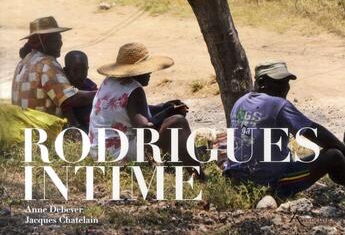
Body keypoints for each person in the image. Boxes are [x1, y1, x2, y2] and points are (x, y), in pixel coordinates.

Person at [224, 61, 345, 197]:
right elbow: (315, 132)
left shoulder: (240, 102)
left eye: (287, 82)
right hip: (269, 183)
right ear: (261, 82)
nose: (286, 88)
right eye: (280, 82)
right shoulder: (277, 104)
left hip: (236, 181)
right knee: (334, 155)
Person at [89, 42, 205, 179]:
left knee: (172, 124)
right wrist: (169, 113)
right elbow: (145, 128)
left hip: (99, 152)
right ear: (136, 72)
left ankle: (181, 163)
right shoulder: (134, 89)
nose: (150, 72)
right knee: (177, 123)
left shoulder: (110, 81)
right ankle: (200, 177)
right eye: (146, 69)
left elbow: (129, 111)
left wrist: (164, 107)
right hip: (116, 156)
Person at [12, 16, 96, 126]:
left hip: (24, 129)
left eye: (60, 39)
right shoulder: (46, 64)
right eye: (56, 40)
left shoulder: (24, 61)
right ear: (43, 41)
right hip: (42, 132)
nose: (60, 43)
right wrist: (103, 94)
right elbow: (70, 99)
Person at [63, 51, 97, 132]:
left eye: (84, 70)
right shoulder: (63, 88)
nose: (80, 75)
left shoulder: (90, 85)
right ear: (66, 71)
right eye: (75, 70)